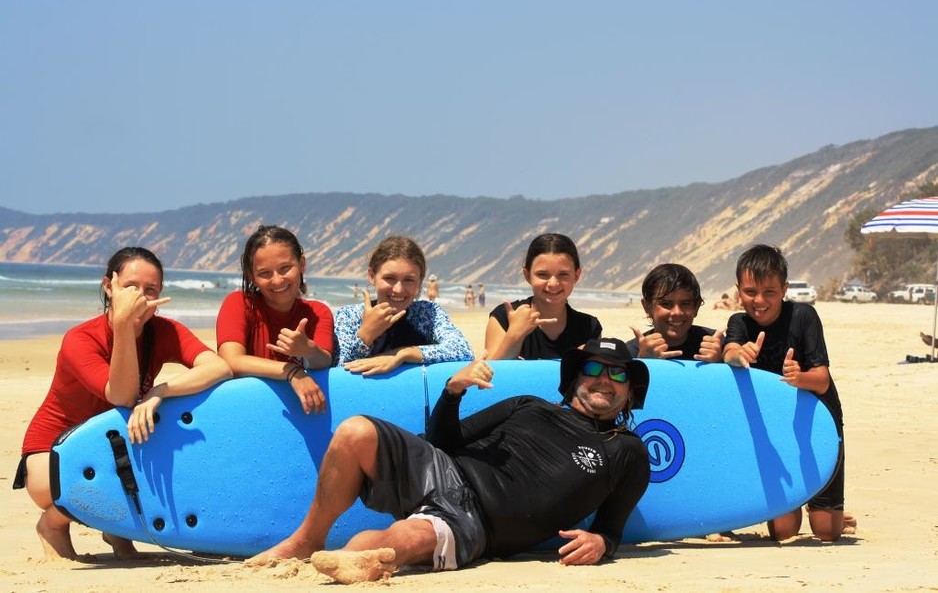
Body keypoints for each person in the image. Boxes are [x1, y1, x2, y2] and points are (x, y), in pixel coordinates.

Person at [247, 337, 651, 583]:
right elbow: (445, 441)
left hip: (476, 524)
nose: (604, 379)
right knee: (355, 431)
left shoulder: (627, 450)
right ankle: (306, 541)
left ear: (630, 392)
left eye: (618, 375)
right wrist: (452, 393)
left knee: (396, 544)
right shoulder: (527, 405)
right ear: (576, 378)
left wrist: (602, 542)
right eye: (595, 368)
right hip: (441, 468)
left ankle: (357, 559)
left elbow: (611, 527)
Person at [13, 247, 232, 561]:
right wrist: (124, 326)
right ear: (108, 286)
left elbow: (219, 367)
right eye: (130, 288)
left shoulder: (163, 331)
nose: (140, 298)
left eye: (150, 290)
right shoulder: (81, 339)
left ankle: (117, 532)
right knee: (95, 482)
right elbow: (122, 395)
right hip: (52, 456)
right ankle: (52, 524)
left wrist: (160, 391)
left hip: (112, 445)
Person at [722, 244, 855, 541]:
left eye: (770, 292)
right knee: (783, 532)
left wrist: (799, 377)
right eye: (750, 292)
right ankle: (806, 506)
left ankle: (832, 517)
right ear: (738, 291)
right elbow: (730, 351)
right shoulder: (739, 323)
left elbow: (821, 380)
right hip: (777, 430)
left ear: (784, 289)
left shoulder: (803, 316)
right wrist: (737, 354)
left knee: (826, 533)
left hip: (819, 422)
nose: (759, 301)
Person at [216, 225, 334, 414]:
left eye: (285, 268)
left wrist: (308, 350)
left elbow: (324, 361)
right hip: (247, 411)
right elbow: (230, 361)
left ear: (302, 264)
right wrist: (291, 371)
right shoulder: (238, 303)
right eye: (264, 273)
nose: (277, 280)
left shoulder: (318, 312)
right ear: (251, 276)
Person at [333, 236, 473, 375]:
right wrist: (366, 335)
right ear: (372, 276)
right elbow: (337, 373)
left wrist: (402, 355)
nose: (398, 289)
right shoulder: (349, 315)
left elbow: (464, 351)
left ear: (420, 281)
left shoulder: (427, 313)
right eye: (389, 278)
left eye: (408, 280)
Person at [485, 233, 601, 359]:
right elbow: (489, 375)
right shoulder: (505, 317)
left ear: (576, 275)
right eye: (543, 274)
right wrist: (514, 335)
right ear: (527, 275)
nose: (553, 284)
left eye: (563, 274)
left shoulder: (589, 327)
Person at [626, 263, 724, 362]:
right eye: (666, 304)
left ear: (696, 307)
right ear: (647, 307)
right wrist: (642, 362)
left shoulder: (714, 345)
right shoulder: (630, 353)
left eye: (685, 303)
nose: (677, 312)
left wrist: (719, 363)